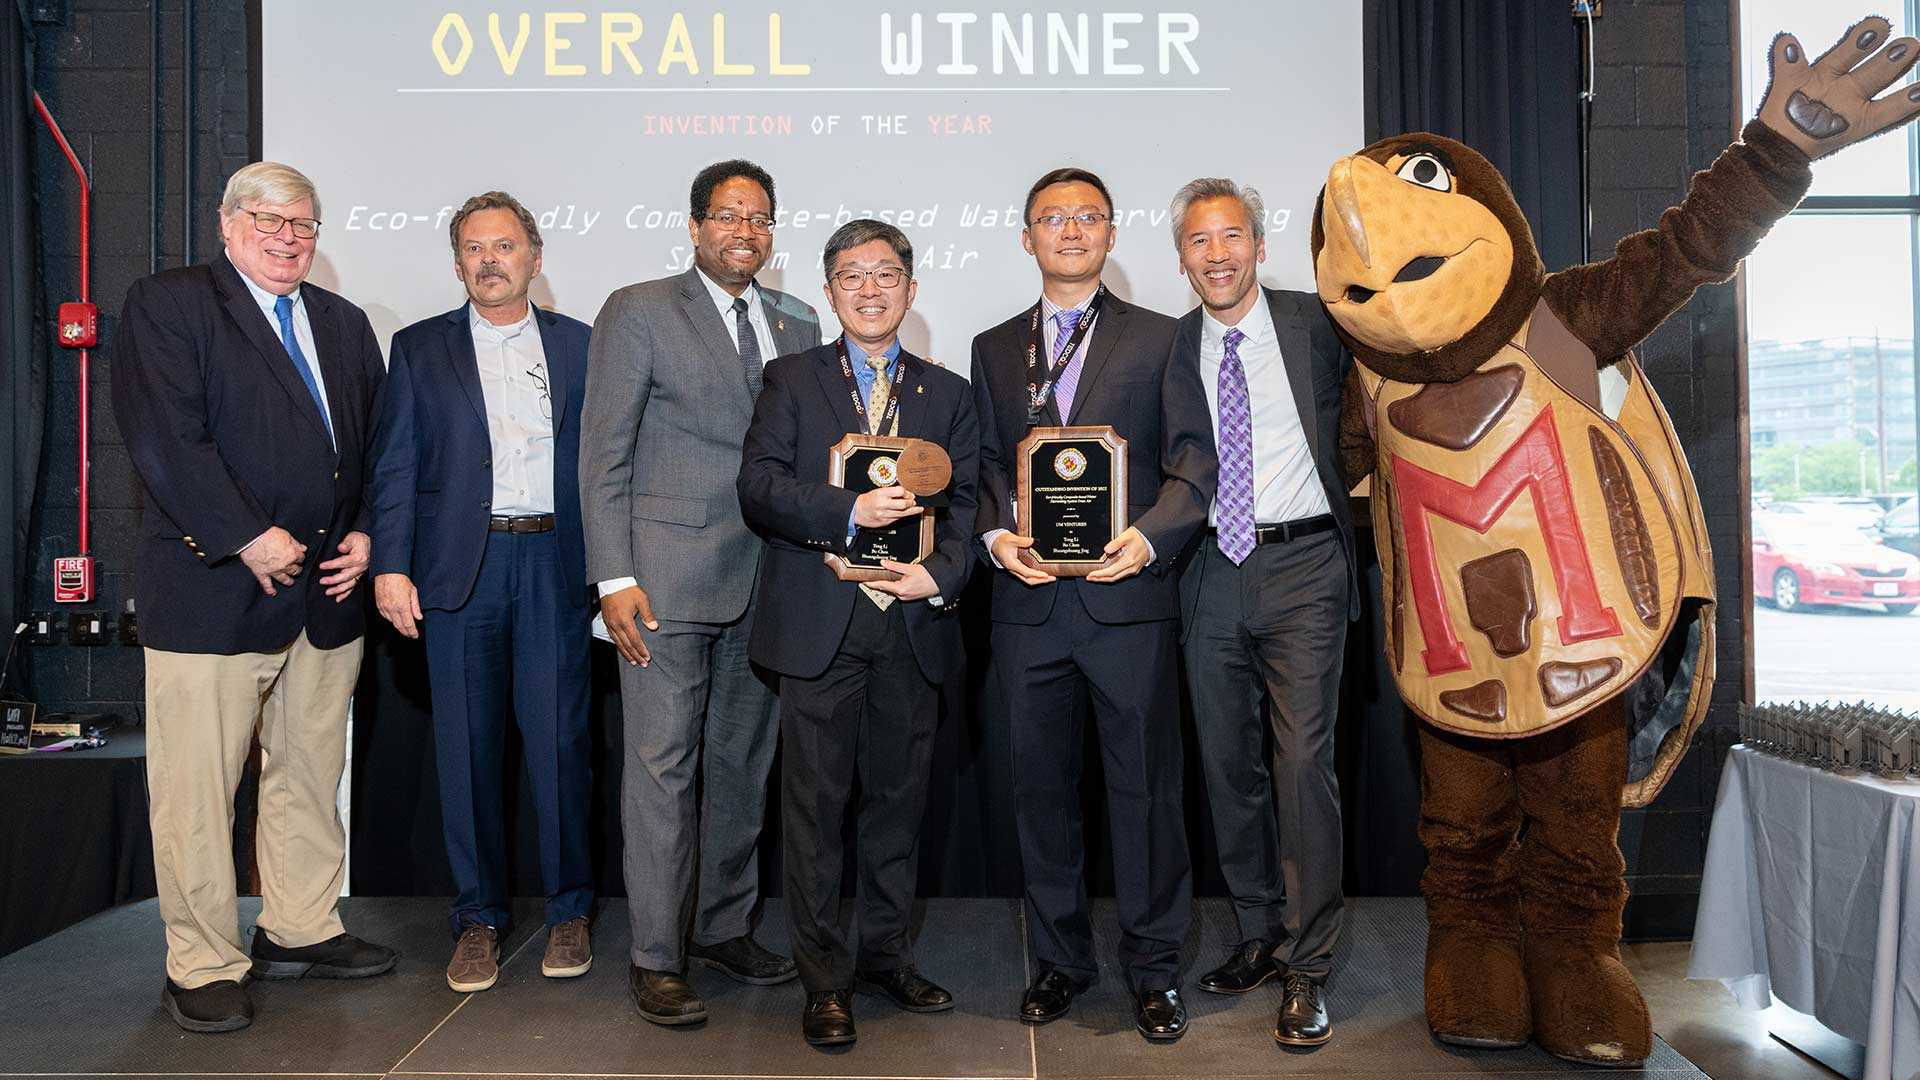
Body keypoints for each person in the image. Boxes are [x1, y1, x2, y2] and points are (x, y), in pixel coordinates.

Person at [113, 161, 394, 1034]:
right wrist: (245, 534)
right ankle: (201, 961)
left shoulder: (345, 324)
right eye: (268, 220)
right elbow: (167, 440)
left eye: (303, 224)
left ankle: (300, 925)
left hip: (325, 597)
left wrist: (368, 533)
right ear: (228, 224)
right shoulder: (170, 303)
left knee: (309, 775)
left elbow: (379, 446)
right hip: (212, 592)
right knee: (198, 792)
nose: (287, 237)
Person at [969, 168, 1214, 1041]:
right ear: (1025, 235)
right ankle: (1061, 962)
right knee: (1040, 794)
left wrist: (1148, 537)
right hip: (1029, 608)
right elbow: (989, 467)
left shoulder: (1160, 337)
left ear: (1111, 234)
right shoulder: (994, 347)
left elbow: (1194, 462)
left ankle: (1154, 970)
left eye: (1087, 217)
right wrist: (998, 538)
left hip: (1127, 601)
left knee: (1146, 792)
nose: (1070, 231)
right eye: (1051, 218)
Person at [579, 159, 821, 1025]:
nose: (743, 232)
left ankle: (722, 925)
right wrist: (613, 577)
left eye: (758, 218)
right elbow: (602, 452)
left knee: (743, 767)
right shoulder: (639, 309)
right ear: (693, 226)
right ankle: (655, 952)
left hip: (771, 580)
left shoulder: (797, 320)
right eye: (726, 216)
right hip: (663, 586)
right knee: (660, 772)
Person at [738, 218, 978, 1048]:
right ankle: (823, 979)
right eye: (851, 277)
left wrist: (939, 574)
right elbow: (759, 488)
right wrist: (847, 511)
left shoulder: (947, 393)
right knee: (814, 810)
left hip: (909, 622)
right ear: (830, 291)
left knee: (898, 806)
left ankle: (885, 955)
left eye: (885, 275)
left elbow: (974, 504)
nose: (869, 289)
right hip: (822, 626)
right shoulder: (791, 379)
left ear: (911, 289)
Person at [367, 191, 595, 994]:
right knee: (465, 752)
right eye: (473, 247)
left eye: (503, 245)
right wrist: (390, 565)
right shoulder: (418, 348)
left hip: (556, 566)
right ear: (458, 261)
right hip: (460, 571)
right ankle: (478, 919)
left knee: (562, 747)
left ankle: (570, 911)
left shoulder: (582, 347)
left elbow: (607, 468)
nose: (489, 260)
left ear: (534, 256)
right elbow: (394, 465)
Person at [1167, 178, 1358, 1048]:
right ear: (1181, 257)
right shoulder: (1169, 347)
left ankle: (1310, 967)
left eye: (1231, 236)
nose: (1217, 253)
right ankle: (1259, 933)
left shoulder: (1318, 322)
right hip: (1209, 567)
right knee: (1227, 766)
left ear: (1259, 244)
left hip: (1305, 564)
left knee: (1301, 763)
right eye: (1200, 241)